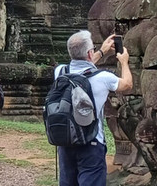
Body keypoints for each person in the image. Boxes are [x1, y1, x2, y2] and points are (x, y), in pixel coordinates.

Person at [55, 30, 132, 186]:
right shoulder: (103, 78)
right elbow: (127, 85)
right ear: (90, 53)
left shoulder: (60, 72)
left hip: (65, 141)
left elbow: (82, 68)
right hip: (91, 142)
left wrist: (101, 52)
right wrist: (124, 61)